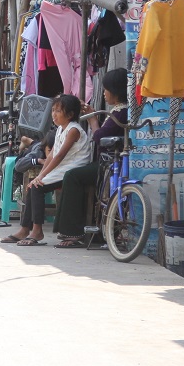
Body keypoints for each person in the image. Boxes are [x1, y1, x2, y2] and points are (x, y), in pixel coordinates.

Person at [53, 68, 131, 248]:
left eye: (106, 89)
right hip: (105, 163)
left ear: (115, 91)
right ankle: (70, 229)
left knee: (73, 176)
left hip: (111, 166)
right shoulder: (116, 111)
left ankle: (73, 232)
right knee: (73, 175)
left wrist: (93, 120)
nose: (103, 93)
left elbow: (100, 138)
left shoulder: (120, 113)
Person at [1, 94, 91, 246]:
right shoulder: (61, 130)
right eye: (53, 110)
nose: (53, 114)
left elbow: (59, 157)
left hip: (73, 170)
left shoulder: (73, 130)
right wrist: (41, 175)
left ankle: (37, 231)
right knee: (33, 185)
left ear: (69, 114)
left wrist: (41, 177)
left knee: (36, 187)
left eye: (58, 111)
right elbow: (52, 155)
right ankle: (24, 229)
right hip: (64, 168)